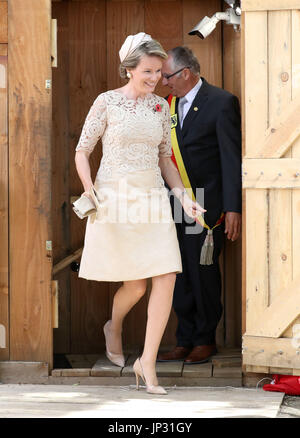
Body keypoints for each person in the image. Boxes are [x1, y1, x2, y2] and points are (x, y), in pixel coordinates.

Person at [74, 34, 205, 394]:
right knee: (135, 284)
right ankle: (113, 326)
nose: (153, 78)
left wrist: (184, 198)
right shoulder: (107, 102)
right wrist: (89, 188)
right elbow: (82, 151)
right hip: (115, 198)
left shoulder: (162, 108)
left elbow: (166, 159)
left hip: (152, 200)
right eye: (147, 71)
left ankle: (146, 362)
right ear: (129, 69)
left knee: (167, 275)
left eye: (158, 72)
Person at [157, 46, 242, 365]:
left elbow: (231, 159)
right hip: (175, 201)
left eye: (167, 76)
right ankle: (185, 339)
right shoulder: (168, 105)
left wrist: (233, 208)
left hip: (206, 205)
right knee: (179, 273)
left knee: (203, 272)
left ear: (186, 74)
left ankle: (205, 340)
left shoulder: (220, 102)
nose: (164, 83)